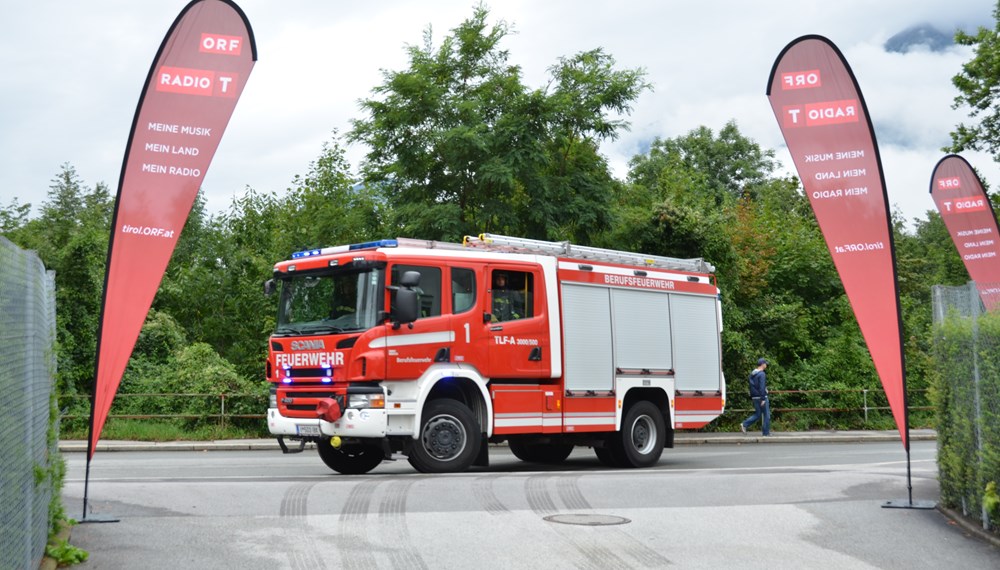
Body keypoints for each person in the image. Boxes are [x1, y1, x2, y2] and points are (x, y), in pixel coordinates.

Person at [740, 358, 771, 436]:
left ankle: (744, 424)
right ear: (762, 364)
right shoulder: (762, 374)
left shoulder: (752, 374)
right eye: (765, 363)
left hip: (754, 397)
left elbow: (753, 385)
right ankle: (766, 433)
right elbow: (761, 386)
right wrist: (763, 398)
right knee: (767, 415)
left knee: (758, 414)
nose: (766, 365)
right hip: (761, 397)